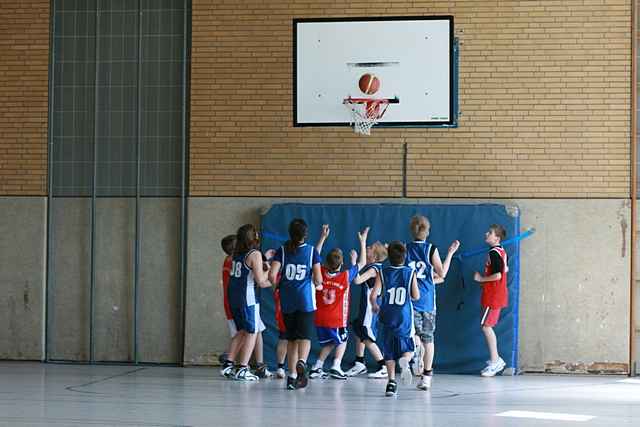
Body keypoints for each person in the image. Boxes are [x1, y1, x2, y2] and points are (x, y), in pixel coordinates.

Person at [405, 214, 459, 391]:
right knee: (429, 340)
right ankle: (426, 376)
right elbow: (442, 273)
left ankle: (415, 353)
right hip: (427, 301)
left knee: (413, 335)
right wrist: (450, 253)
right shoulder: (430, 249)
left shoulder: (405, 249)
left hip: (410, 300)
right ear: (427, 232)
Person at [269, 219, 323, 390]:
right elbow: (319, 278)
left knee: (291, 339)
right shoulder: (312, 251)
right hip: (305, 300)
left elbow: (272, 275)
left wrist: (276, 287)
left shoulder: (282, 251)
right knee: (305, 338)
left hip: (287, 300)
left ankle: (291, 376)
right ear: (305, 234)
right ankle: (302, 362)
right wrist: (315, 282)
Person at [310, 226, 368, 380]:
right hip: (336, 319)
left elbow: (314, 256)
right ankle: (336, 366)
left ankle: (317, 367)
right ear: (341, 264)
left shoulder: (320, 272)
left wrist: (322, 237)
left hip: (320, 318)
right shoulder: (345, 276)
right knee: (343, 340)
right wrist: (363, 242)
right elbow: (362, 263)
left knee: (329, 342)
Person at [371, 241, 419, 397]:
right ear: (404, 257)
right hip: (403, 316)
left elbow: (374, 295)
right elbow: (416, 296)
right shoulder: (409, 272)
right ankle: (405, 361)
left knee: (389, 351)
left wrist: (375, 305)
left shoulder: (382, 272)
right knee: (409, 347)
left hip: (387, 314)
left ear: (388, 257)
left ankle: (391, 383)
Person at [227, 224, 272, 381]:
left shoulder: (235, 254)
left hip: (234, 297)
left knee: (242, 331)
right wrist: (272, 275)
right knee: (252, 332)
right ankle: (242, 368)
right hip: (247, 297)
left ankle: (228, 364)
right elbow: (261, 281)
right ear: (254, 238)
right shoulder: (255, 254)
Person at [345, 241, 388, 378]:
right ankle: (359, 362)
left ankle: (383, 366)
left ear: (374, 256)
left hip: (370, 308)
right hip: (367, 307)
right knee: (358, 329)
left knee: (366, 335)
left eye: (370, 248)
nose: (367, 248)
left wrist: (353, 262)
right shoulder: (375, 267)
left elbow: (356, 280)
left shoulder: (373, 269)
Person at [474, 224, 508, 377]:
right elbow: (504, 270)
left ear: (497, 238)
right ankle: (495, 360)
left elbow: (499, 275)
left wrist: (481, 278)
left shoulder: (495, 253)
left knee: (486, 327)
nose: (486, 233)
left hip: (493, 296)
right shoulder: (499, 251)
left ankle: (496, 361)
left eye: (490, 232)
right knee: (486, 326)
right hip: (494, 294)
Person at [219, 234, 244, 378]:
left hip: (233, 302)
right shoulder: (232, 262)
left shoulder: (229, 260)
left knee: (242, 333)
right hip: (233, 304)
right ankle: (229, 360)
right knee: (241, 333)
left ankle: (231, 361)